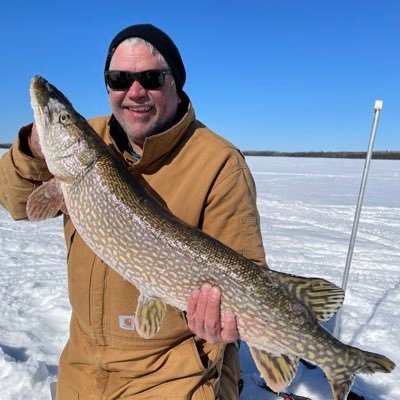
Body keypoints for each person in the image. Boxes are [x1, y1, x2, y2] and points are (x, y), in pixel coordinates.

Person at [0, 24, 267, 399]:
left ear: (176, 83)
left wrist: (224, 326)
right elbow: (14, 201)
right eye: (120, 78)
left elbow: (247, 271)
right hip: (81, 371)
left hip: (174, 378)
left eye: (152, 78)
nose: (135, 91)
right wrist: (31, 145)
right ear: (108, 87)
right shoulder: (84, 142)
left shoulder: (219, 162)